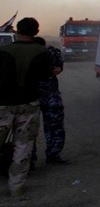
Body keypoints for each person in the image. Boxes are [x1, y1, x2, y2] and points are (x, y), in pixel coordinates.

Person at [0, 17, 52, 196]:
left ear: (16, 31)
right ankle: (16, 187)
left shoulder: (4, 51)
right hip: (29, 104)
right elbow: (46, 77)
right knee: (23, 146)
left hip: (3, 105)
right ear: (36, 32)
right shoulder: (42, 52)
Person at [31, 36, 69, 166]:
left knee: (28, 129)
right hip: (50, 95)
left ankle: (29, 159)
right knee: (54, 126)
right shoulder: (52, 51)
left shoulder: (25, 52)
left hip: (30, 96)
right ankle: (53, 154)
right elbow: (58, 69)